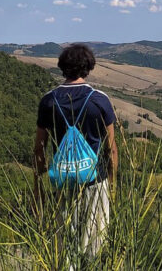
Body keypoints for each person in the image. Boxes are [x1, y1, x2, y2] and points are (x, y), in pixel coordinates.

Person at [33, 43, 118, 257]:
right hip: (94, 182)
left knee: (65, 248)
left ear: (63, 67)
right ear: (88, 68)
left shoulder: (48, 101)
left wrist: (37, 184)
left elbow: (39, 147)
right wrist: (112, 182)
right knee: (94, 246)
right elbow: (111, 148)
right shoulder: (99, 100)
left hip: (62, 181)